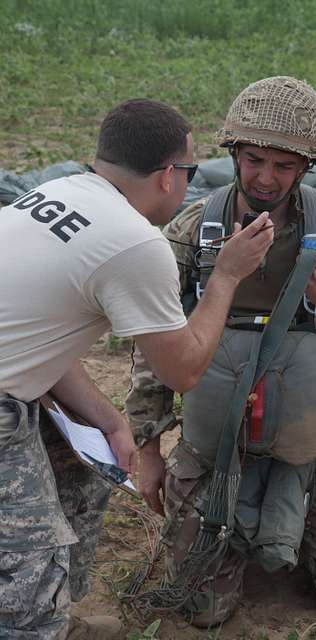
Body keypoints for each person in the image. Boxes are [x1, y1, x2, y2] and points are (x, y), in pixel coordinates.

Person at [126, 77, 316, 627]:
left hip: (313, 443)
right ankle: (237, 519)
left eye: (284, 166)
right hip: (215, 444)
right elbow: (151, 344)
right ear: (232, 152)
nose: (266, 178)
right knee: (202, 610)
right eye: (254, 160)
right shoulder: (192, 231)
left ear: (306, 168)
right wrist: (150, 446)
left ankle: (297, 515)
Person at [0, 98, 274, 640]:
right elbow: (184, 370)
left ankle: (56, 617)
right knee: (31, 561)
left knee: (84, 473)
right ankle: (34, 622)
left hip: (14, 383)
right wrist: (226, 277)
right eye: (189, 173)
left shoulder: (53, 193)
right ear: (170, 176)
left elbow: (32, 343)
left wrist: (109, 419)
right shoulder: (134, 242)